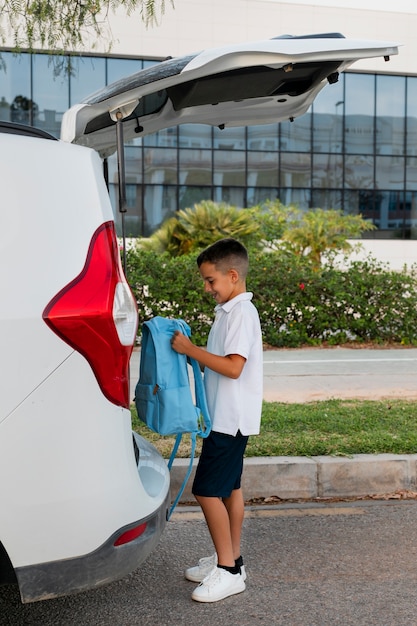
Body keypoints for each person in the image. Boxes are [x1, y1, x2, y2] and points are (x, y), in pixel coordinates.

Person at [170, 237, 263, 603]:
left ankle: (227, 571)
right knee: (230, 489)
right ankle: (232, 559)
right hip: (225, 418)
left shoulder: (241, 313)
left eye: (211, 281)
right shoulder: (230, 311)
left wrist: (192, 350)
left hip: (230, 420)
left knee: (207, 491)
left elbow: (234, 368)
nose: (207, 288)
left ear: (233, 275)